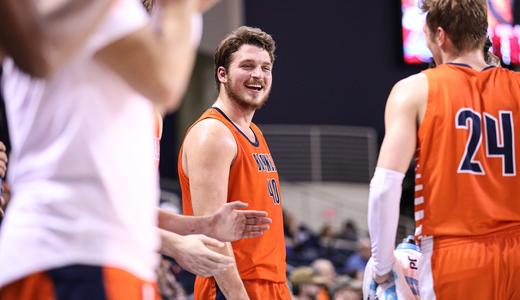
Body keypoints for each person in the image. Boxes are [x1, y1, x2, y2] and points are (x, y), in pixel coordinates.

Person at [0, 0, 271, 299]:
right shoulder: (95, 15)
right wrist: (181, 8)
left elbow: (117, 191)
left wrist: (198, 226)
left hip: (96, 254)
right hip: (77, 254)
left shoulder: (108, 53)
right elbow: (167, 82)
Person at [367, 0, 520, 299]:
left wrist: (382, 266)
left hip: (455, 252)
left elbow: (385, 186)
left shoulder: (414, 90)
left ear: (440, 35)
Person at [179, 26, 291, 299]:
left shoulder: (254, 133)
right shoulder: (213, 134)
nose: (258, 75)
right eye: (247, 66)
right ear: (222, 74)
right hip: (231, 286)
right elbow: (213, 235)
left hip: (271, 283)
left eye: (266, 68)